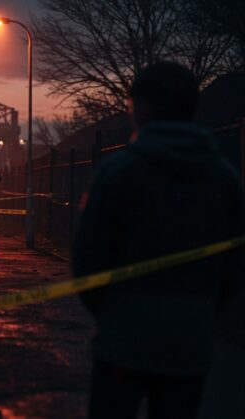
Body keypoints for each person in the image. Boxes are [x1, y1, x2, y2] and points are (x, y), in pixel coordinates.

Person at [72, 62, 245, 419]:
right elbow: (235, 264)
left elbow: (88, 257)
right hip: (191, 339)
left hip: (123, 339)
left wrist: (111, 313)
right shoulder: (225, 177)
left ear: (144, 107)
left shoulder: (118, 172)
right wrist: (204, 311)